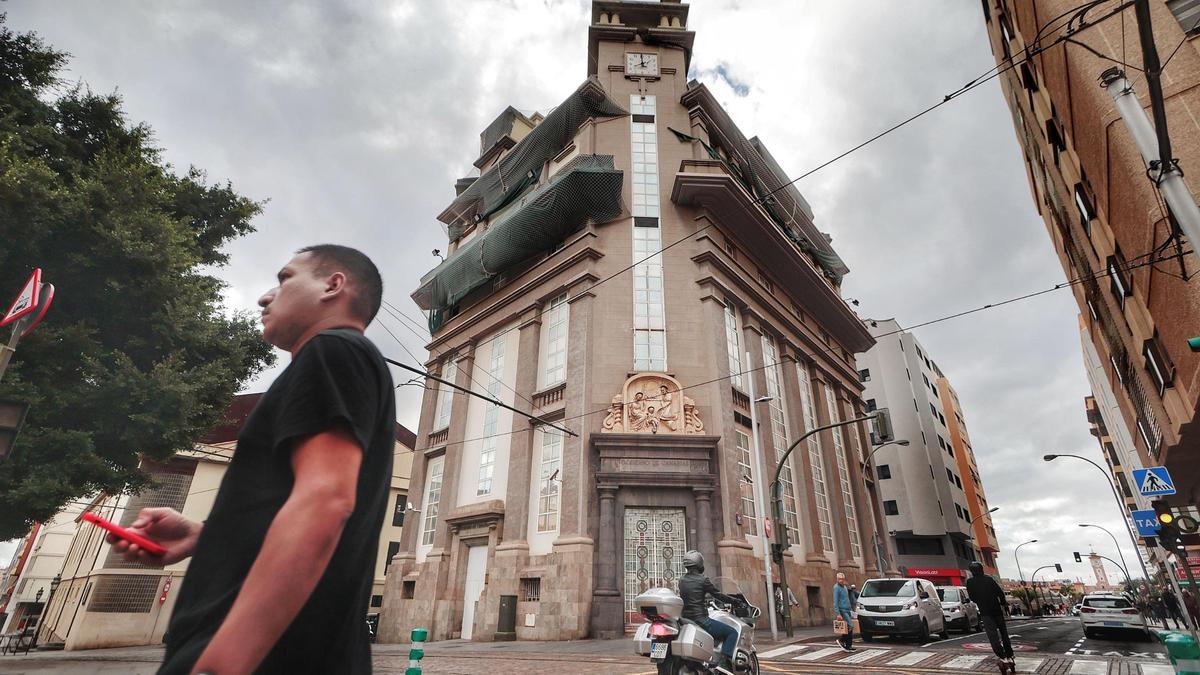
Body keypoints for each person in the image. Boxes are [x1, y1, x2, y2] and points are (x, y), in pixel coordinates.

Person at [108, 245, 393, 674]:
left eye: (284, 278)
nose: (265, 296)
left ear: (333, 285)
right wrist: (207, 537)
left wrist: (221, 666)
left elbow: (325, 502)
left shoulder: (333, 351)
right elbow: (303, 503)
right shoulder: (340, 360)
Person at [679, 550, 739, 672]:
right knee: (732, 633)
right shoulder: (703, 580)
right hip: (702, 621)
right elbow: (718, 595)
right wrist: (735, 601)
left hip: (686, 621)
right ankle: (723, 663)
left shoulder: (682, 580)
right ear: (699, 563)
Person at [964, 561, 1014, 671]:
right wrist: (1002, 602)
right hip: (996, 610)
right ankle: (1009, 654)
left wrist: (980, 601)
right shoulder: (989, 579)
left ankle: (1002, 656)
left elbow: (972, 597)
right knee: (1004, 633)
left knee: (993, 636)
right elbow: (1000, 592)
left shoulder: (970, 582)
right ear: (981, 569)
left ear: (972, 571)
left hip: (985, 612)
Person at [833, 572, 855, 652]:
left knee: (849, 627)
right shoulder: (836, 588)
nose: (841, 581)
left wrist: (851, 610)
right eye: (839, 579)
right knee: (850, 626)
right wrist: (838, 614)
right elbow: (835, 602)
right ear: (837, 579)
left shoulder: (845, 587)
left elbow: (847, 599)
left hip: (847, 609)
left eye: (842, 579)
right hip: (842, 610)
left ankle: (848, 645)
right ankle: (842, 640)